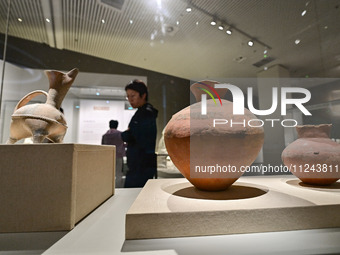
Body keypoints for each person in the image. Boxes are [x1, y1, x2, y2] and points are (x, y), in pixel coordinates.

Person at [121, 79, 158, 188]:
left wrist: (125, 134)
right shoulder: (143, 112)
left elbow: (134, 136)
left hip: (141, 167)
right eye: (128, 96)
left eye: (133, 96)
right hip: (140, 165)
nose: (130, 100)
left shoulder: (145, 113)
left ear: (143, 95)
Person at [102, 120, 126, 188]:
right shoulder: (120, 134)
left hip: (108, 156)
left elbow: (103, 145)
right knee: (118, 172)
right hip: (118, 155)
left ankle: (108, 187)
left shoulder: (105, 135)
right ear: (117, 125)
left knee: (109, 172)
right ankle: (118, 187)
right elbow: (125, 144)